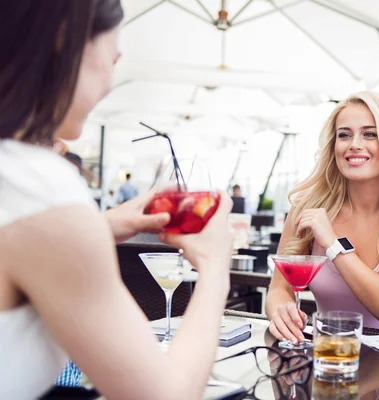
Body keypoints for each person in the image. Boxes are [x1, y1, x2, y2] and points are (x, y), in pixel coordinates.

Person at [0, 2, 234, 399]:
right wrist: (215, 266)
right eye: (113, 59)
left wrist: (99, 226)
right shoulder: (38, 185)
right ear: (65, 45)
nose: (110, 82)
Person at [265, 91, 379, 344]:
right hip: (329, 352)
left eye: (369, 134)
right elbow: (279, 289)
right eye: (344, 135)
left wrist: (333, 244)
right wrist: (280, 310)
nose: (354, 145)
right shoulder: (308, 210)